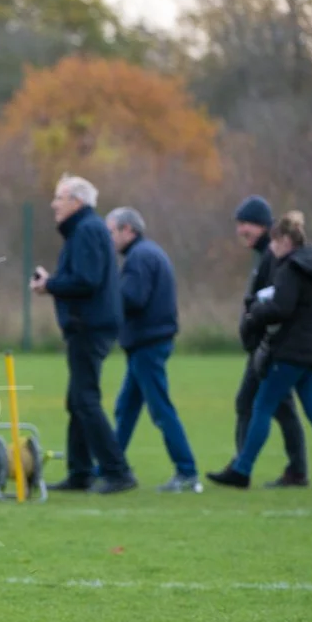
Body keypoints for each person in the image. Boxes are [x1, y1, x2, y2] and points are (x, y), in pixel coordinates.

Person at [208, 212, 312, 490]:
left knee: (261, 406)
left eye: (274, 243)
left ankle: (242, 470)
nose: (271, 249)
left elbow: (281, 308)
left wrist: (254, 313)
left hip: (290, 352)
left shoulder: (291, 268)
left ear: (284, 240)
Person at [31, 174, 136, 495]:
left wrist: (49, 285)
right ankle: (80, 473)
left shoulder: (87, 230)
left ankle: (118, 472)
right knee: (77, 399)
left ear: (76, 202)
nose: (54, 204)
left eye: (59, 198)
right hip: (88, 324)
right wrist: (54, 281)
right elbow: (82, 276)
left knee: (85, 400)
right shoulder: (86, 229)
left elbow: (87, 280)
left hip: (89, 326)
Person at [106, 207, 200, 493]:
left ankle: (187, 472)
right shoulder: (146, 253)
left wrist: (105, 294)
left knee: (160, 409)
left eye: (111, 232)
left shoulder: (140, 257)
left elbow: (133, 298)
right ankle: (111, 467)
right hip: (144, 343)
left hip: (148, 344)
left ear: (128, 230)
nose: (108, 239)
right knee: (126, 408)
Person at [230, 195, 310, 487]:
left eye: (245, 224)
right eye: (239, 224)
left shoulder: (274, 254)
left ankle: (242, 467)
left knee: (252, 403)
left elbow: (277, 301)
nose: (240, 230)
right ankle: (295, 469)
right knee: (280, 406)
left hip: (270, 346)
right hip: (264, 345)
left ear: (263, 226)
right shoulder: (265, 254)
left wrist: (255, 324)